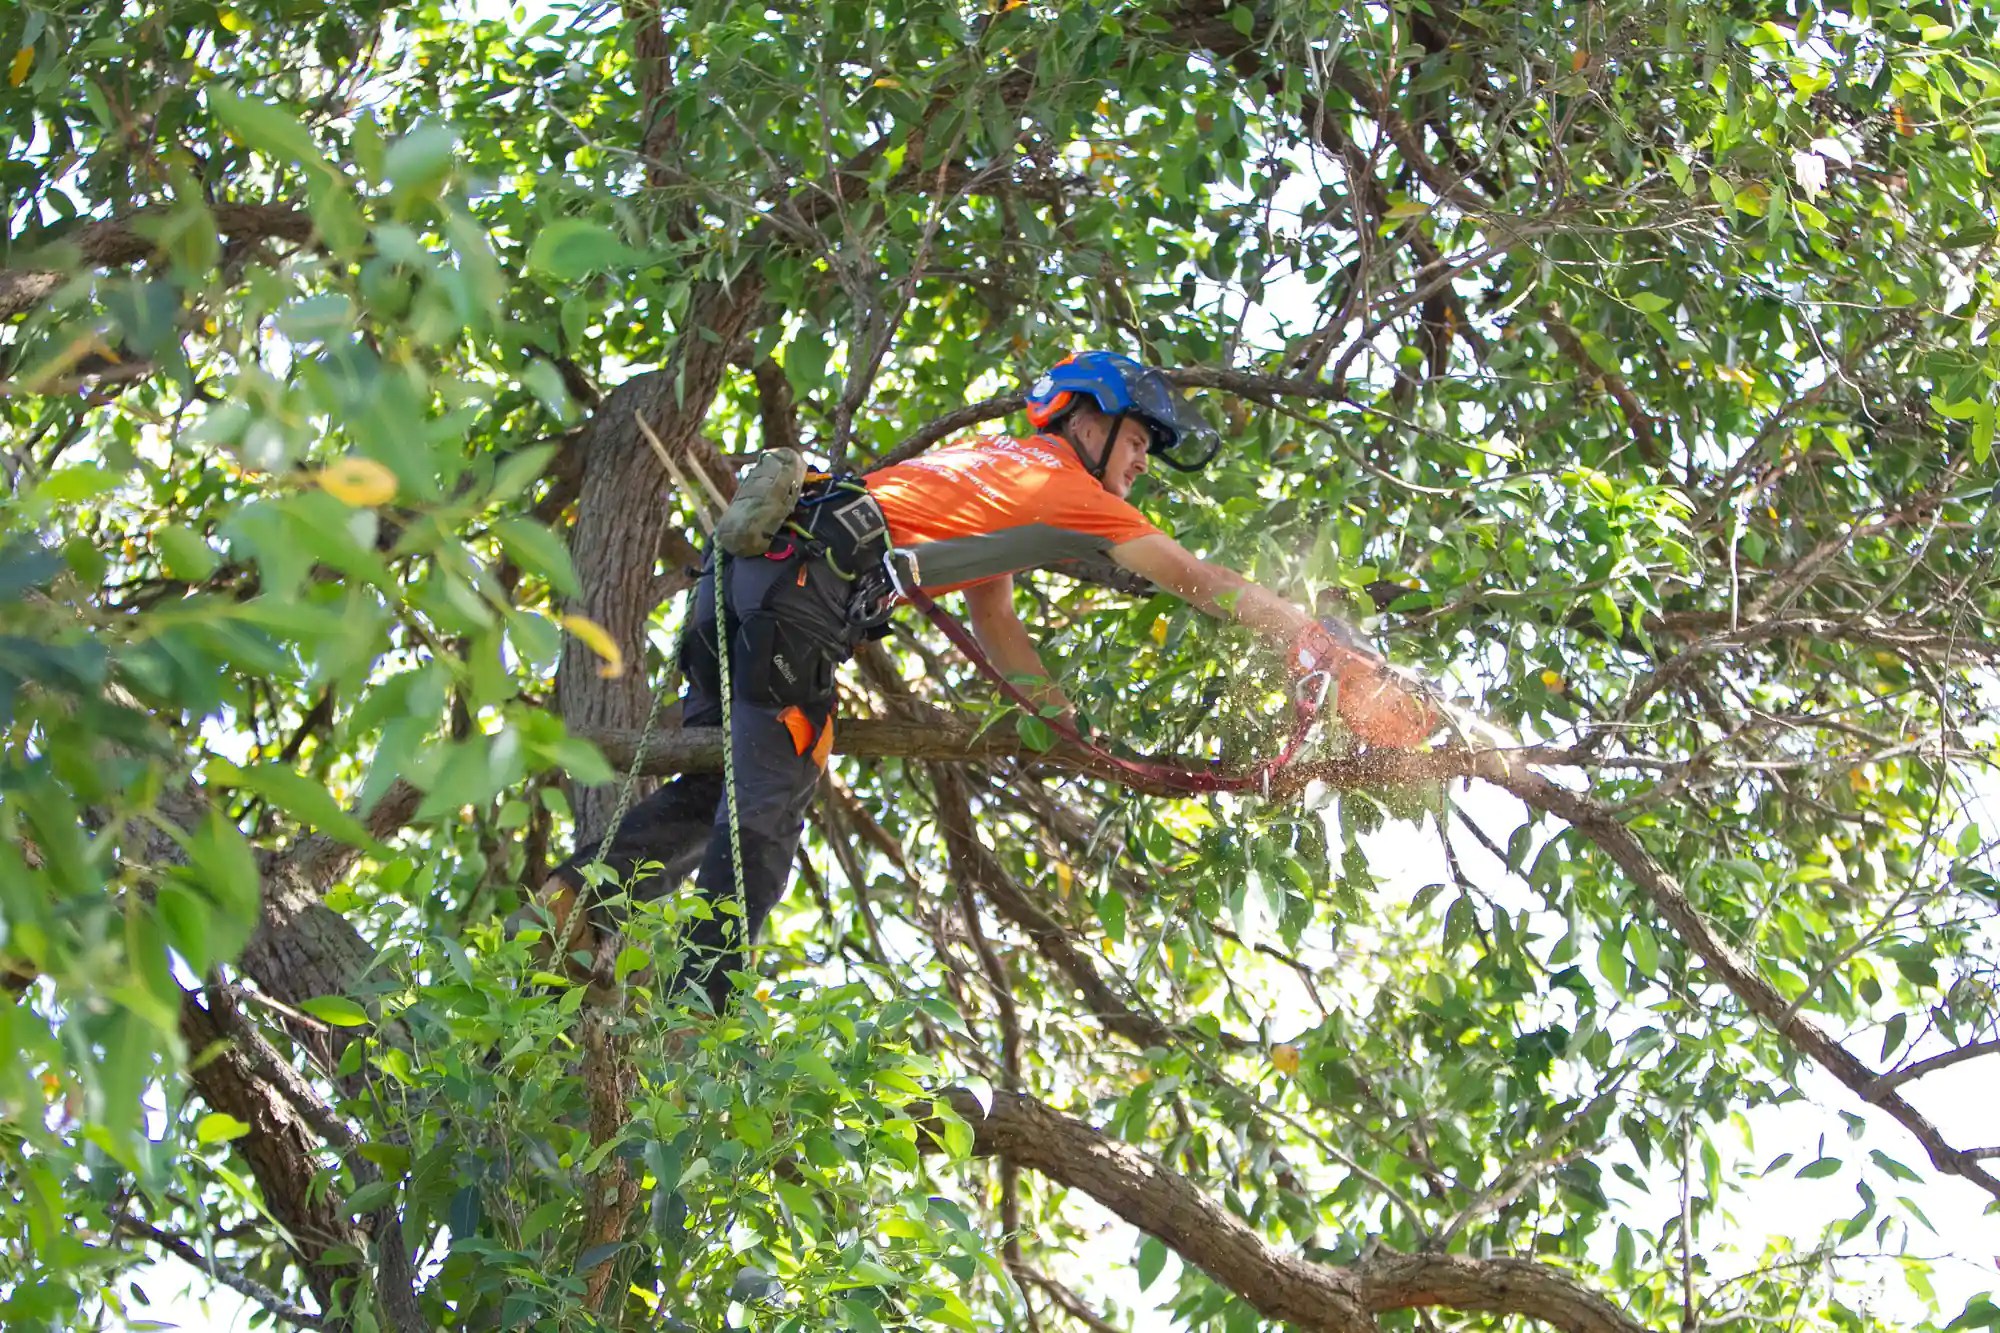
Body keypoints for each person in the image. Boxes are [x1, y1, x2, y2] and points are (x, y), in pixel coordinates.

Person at [531, 351, 1431, 1009]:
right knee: (770, 802)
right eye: (1139, 438)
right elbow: (1198, 579)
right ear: (1087, 418)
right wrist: (1317, 643)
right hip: (794, 605)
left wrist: (1062, 729)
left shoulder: (993, 468)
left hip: (736, 590)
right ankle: (699, 1016)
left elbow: (995, 617)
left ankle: (575, 904)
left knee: (716, 785)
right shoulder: (1067, 489)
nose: (1144, 459)